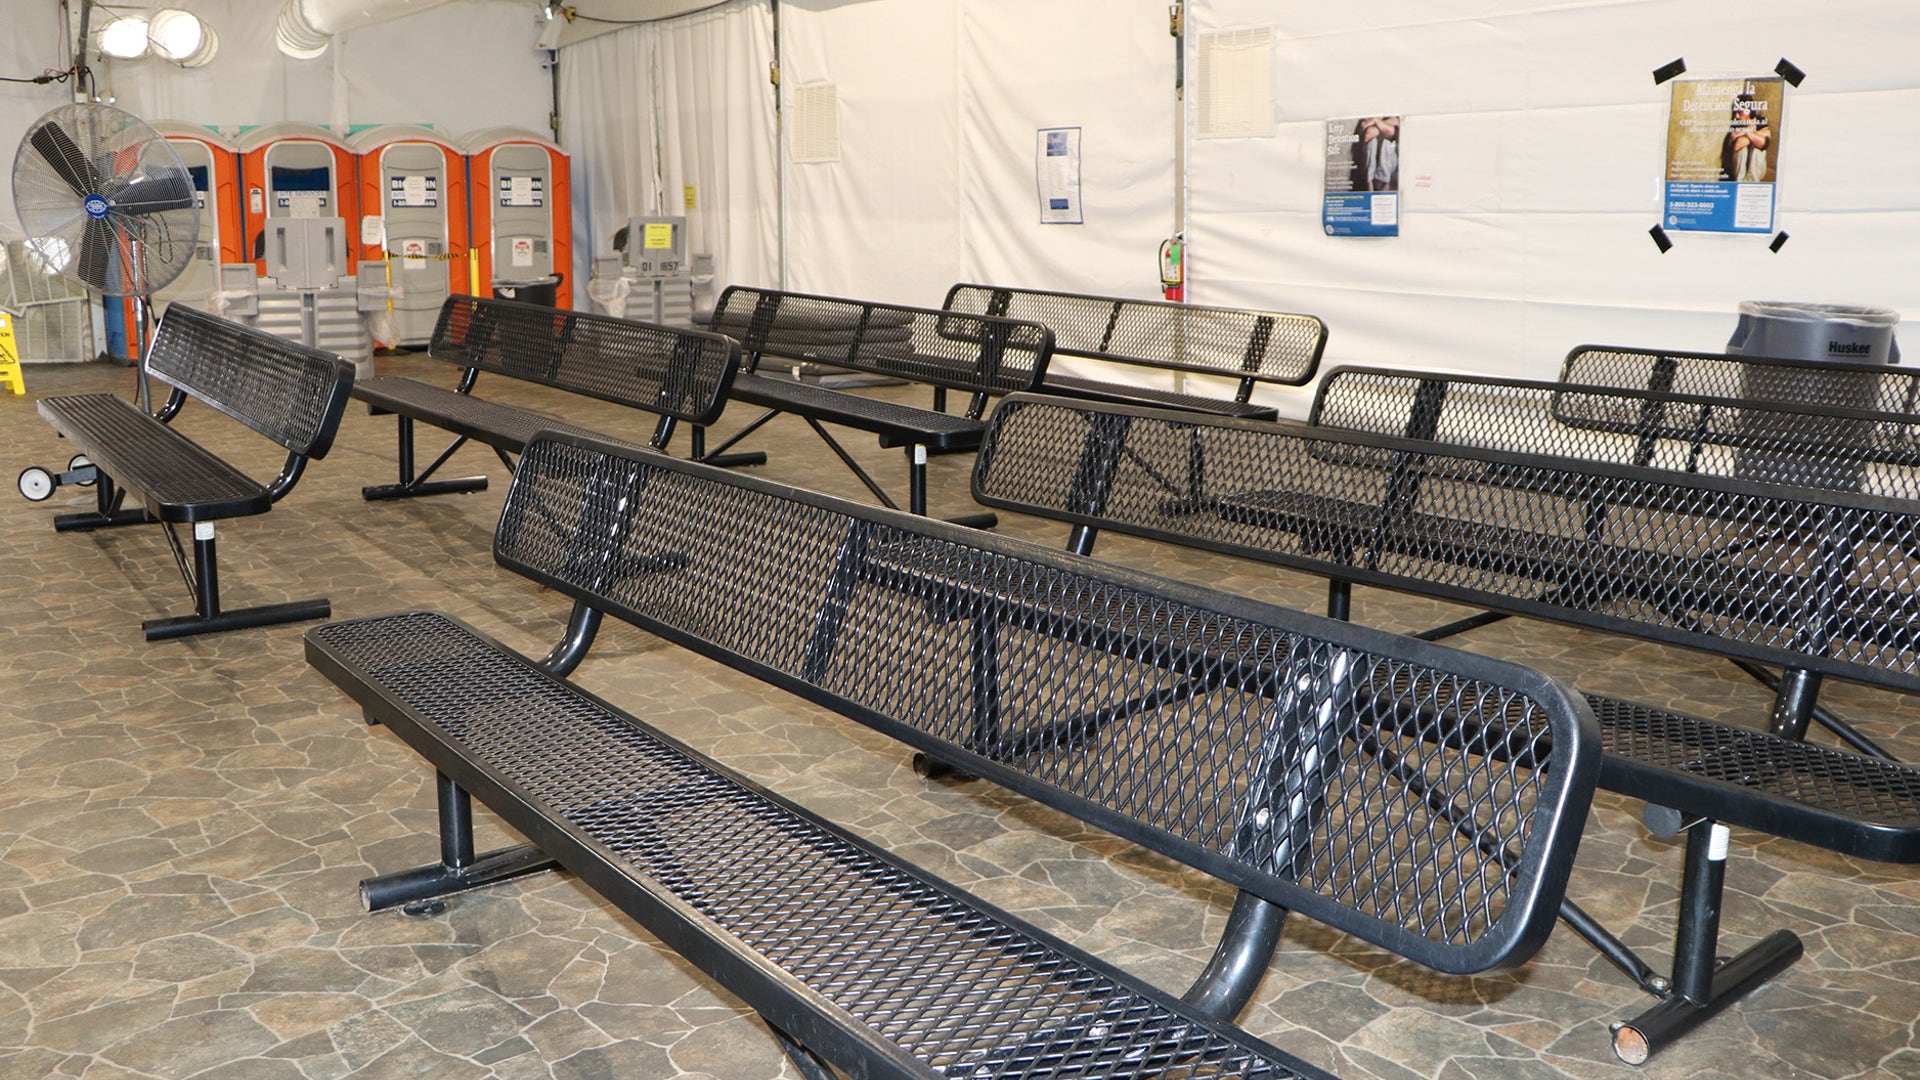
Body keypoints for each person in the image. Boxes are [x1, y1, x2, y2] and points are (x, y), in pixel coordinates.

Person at [1721, 94, 1770, 182]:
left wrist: (1746, 132)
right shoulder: (1736, 124)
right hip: (1737, 171)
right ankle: (1740, 183)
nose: (1736, 116)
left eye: (1739, 112)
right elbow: (1737, 145)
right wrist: (1754, 135)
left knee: (1757, 149)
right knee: (1743, 148)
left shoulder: (1761, 121)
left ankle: (1753, 183)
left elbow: (1764, 143)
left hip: (1756, 171)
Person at [1359, 116, 1400, 192]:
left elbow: (1391, 132)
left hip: (1389, 164)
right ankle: (1369, 185)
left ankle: (1385, 186)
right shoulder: (1367, 118)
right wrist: (1384, 124)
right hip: (1370, 163)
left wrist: (1375, 121)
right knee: (1372, 142)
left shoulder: (1393, 117)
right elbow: (1368, 135)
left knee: (1386, 144)